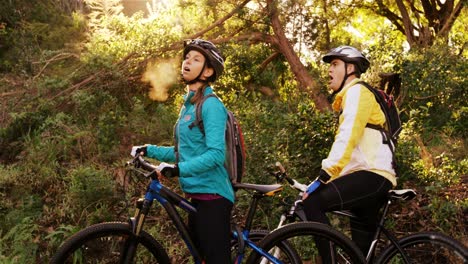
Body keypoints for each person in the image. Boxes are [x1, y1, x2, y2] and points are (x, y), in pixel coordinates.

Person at [131, 39, 234, 263]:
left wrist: (177, 170)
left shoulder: (211, 105)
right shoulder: (189, 106)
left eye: (196, 59)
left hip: (213, 197)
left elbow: (217, 155)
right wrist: (148, 149)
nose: (187, 61)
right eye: (187, 57)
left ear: (208, 71)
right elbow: (182, 153)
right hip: (196, 197)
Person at [302, 46, 397, 259]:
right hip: (372, 177)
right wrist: (329, 178)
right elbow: (352, 150)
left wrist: (323, 176)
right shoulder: (353, 96)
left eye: (335, 64)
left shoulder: (357, 91)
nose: (329, 70)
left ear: (350, 68)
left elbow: (348, 136)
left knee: (312, 202)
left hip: (371, 175)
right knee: (360, 257)